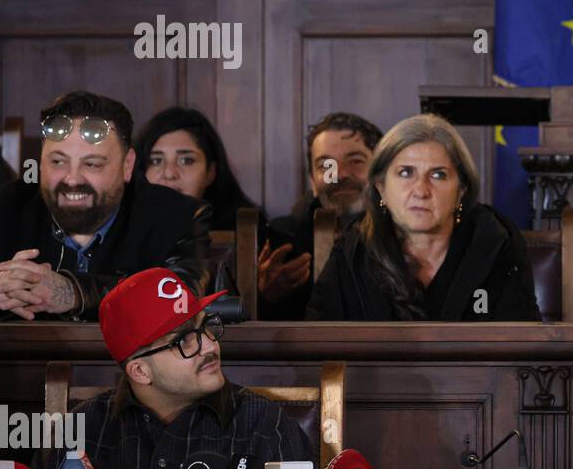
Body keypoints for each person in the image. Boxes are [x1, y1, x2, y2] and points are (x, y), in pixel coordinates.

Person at [70, 267, 313, 469]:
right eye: (184, 340)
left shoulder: (267, 424)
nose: (210, 346)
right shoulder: (81, 428)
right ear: (140, 372)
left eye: (206, 326)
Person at [0, 91, 211, 322]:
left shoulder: (177, 216)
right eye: (57, 162)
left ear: (127, 165)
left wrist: (73, 292)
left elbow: (181, 299)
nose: (72, 179)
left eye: (92, 164)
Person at [306, 114, 539, 321]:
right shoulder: (353, 248)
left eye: (438, 175)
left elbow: (521, 347)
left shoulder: (495, 240)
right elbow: (319, 347)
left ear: (461, 190)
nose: (421, 190)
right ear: (381, 187)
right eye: (406, 173)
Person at [259, 112, 382, 320]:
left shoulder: (405, 236)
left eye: (356, 161)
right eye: (327, 166)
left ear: (381, 171)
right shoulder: (282, 238)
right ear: (312, 181)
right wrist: (266, 295)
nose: (340, 174)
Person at [134, 106, 263, 232]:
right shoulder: (125, 229)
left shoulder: (246, 232)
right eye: (156, 161)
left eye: (186, 161)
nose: (169, 173)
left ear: (210, 172)